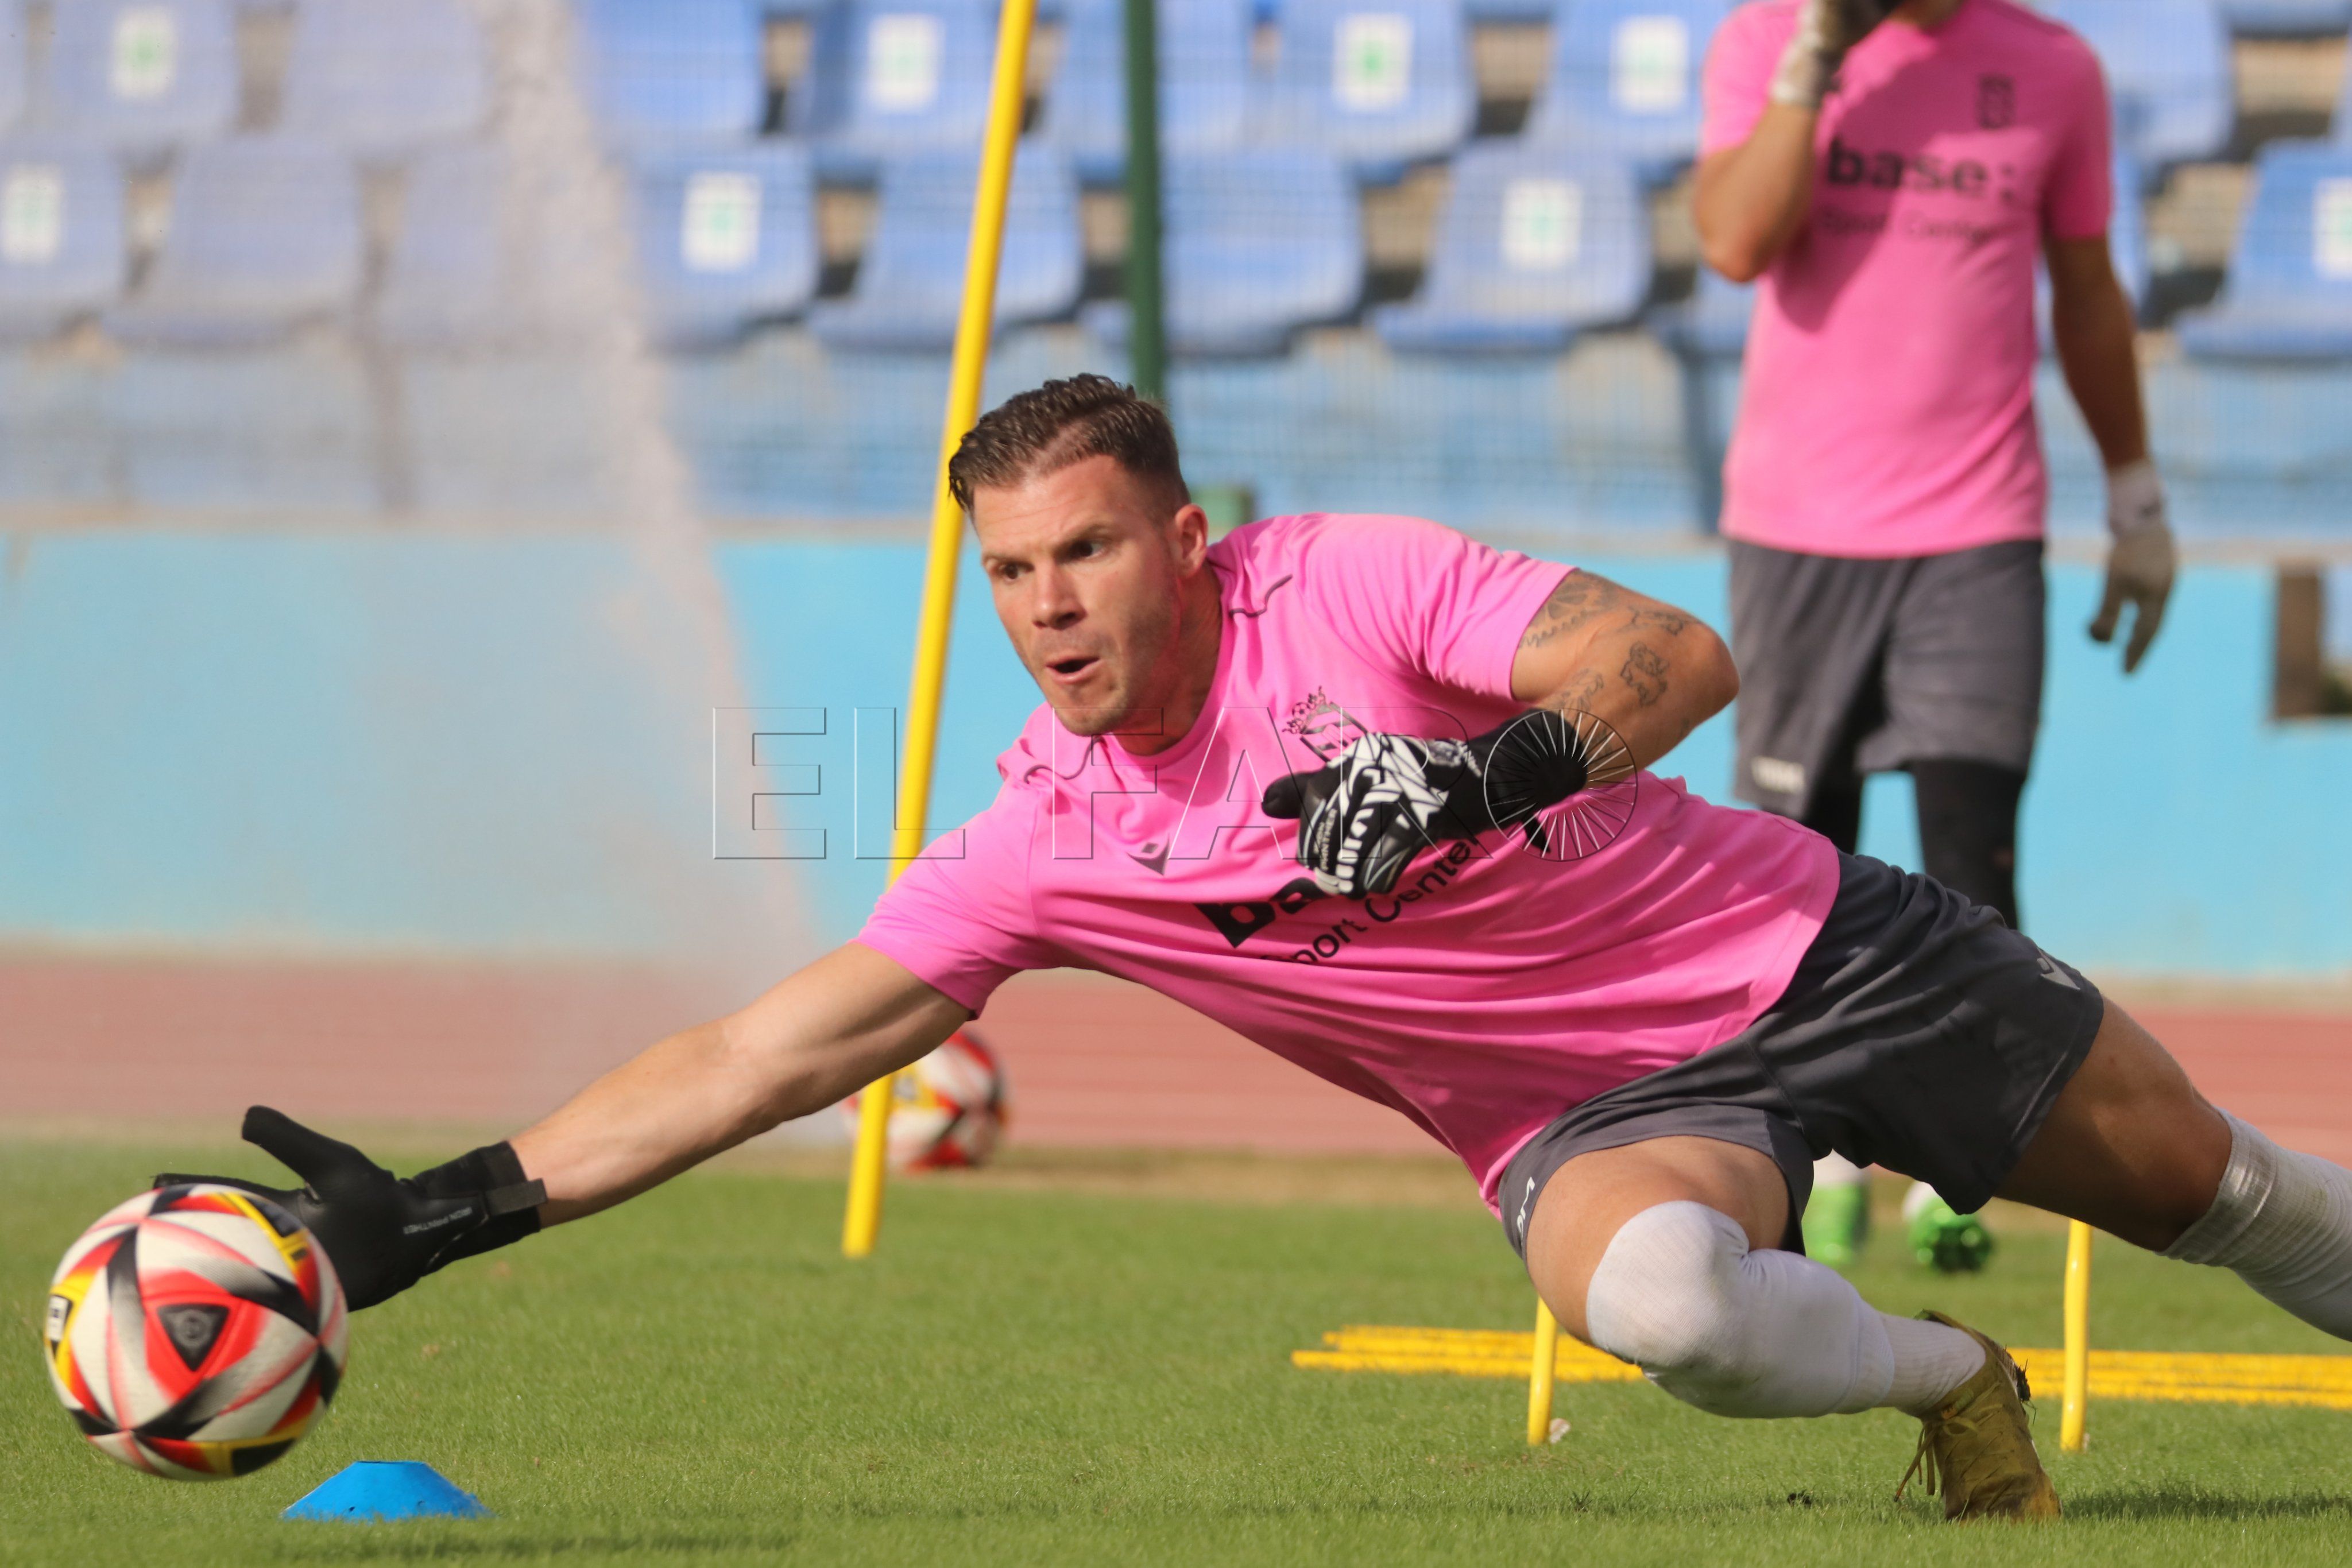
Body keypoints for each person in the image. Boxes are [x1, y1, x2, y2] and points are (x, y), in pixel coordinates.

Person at [167, 377, 2347, 1524]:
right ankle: (1957, 1380)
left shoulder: (1353, 581)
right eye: (1009, 568)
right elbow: (763, 1051)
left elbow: (1667, 651)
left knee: (2217, 1197)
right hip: (1596, 1120)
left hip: (1814, 948)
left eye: (1086, 547)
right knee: (1664, 1307)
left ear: (1182, 540)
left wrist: (1476, 782)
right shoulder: (1044, 844)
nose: (1044, 603)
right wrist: (433, 1220)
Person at [1693, 0, 2177, 1262]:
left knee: (1973, 864)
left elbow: (2082, 289)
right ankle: (1819, 1154)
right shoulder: (1764, 40)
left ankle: (1954, 1179)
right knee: (1799, 869)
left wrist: (2134, 497)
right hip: (1798, 528)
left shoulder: (2051, 67)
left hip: (1977, 527)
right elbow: (1735, 240)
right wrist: (1816, 57)